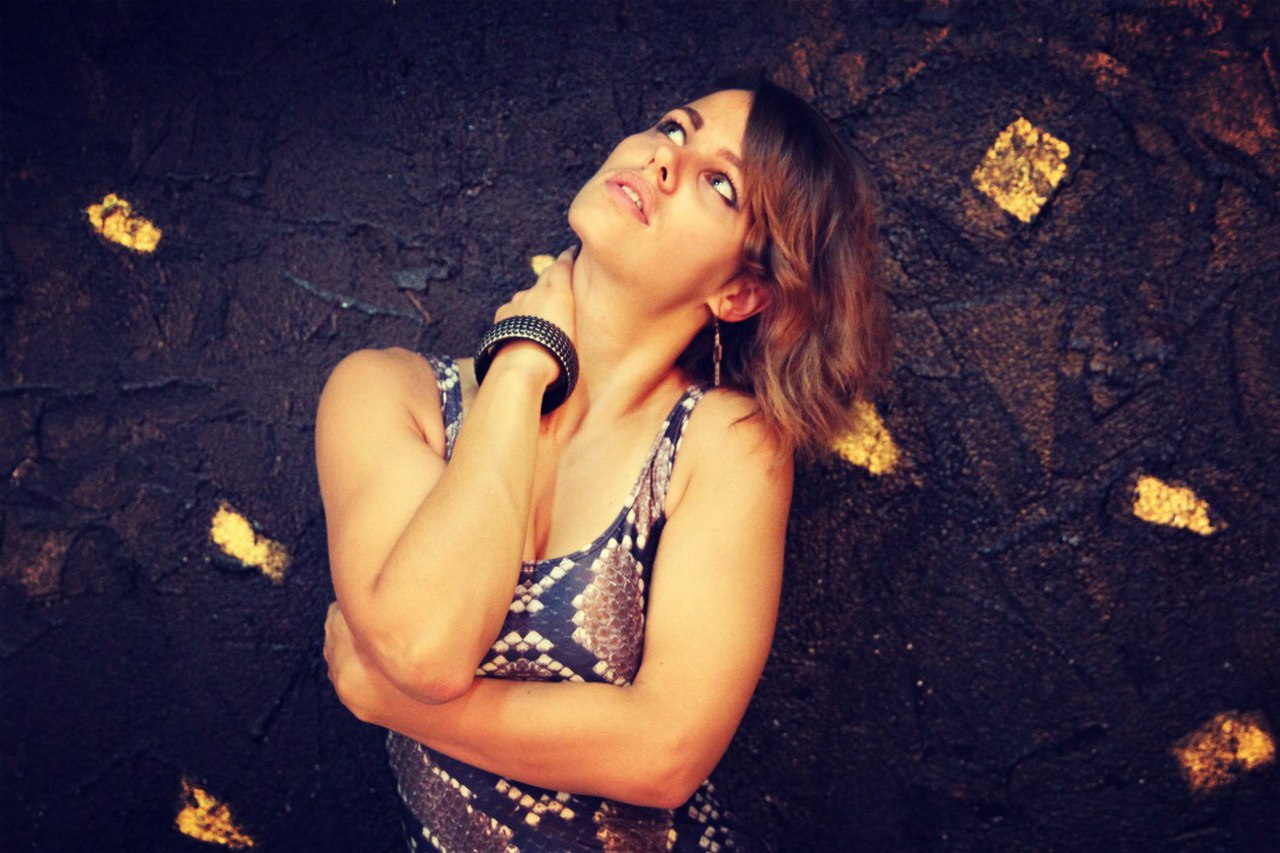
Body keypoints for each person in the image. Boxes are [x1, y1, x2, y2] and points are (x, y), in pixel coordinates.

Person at [317, 71, 891, 852]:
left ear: (740, 294)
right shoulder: (388, 393)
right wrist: (522, 367)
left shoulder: (725, 443)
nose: (666, 158)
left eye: (719, 183)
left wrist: (392, 702)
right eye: (675, 128)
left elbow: (666, 755)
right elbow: (425, 645)